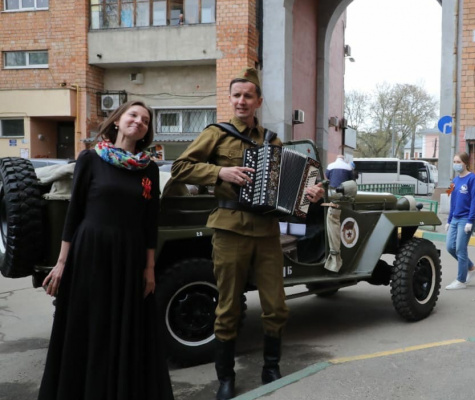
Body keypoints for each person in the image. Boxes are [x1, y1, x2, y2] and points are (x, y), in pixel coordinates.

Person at [170, 67, 324, 400]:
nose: (242, 101)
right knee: (228, 308)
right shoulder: (217, 134)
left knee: (276, 306)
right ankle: (225, 377)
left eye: (248, 96)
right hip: (229, 229)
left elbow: (294, 182)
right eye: (236, 95)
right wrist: (219, 170)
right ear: (230, 99)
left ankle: (271, 366)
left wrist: (311, 192)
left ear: (258, 101)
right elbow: (180, 167)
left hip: (267, 231)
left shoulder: (272, 140)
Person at [38, 100, 173, 400]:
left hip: (130, 256)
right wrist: (62, 263)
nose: (139, 121)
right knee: (90, 325)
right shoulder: (90, 159)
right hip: (91, 253)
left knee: (126, 329)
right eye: (133, 115)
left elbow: (150, 223)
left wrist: (149, 268)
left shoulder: (149, 168)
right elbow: (74, 214)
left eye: (145, 120)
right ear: (117, 120)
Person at [444, 152, 475, 290]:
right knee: (450, 247)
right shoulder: (454, 181)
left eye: (458, 162)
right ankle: (471, 268)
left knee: (460, 248)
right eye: (454, 161)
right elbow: (452, 200)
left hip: (466, 219)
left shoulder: (473, 179)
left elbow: (474, 201)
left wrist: (470, 220)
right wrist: (449, 219)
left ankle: (461, 280)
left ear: (465, 163)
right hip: (455, 218)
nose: (456, 164)